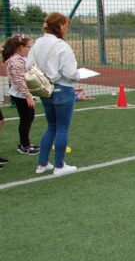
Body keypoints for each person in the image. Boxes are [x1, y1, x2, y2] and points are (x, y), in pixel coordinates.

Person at [28, 12, 80, 176]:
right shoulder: (61, 46)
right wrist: (77, 75)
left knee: (51, 126)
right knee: (62, 128)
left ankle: (42, 164)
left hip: (45, 90)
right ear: (59, 26)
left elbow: (29, 66)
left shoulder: (37, 44)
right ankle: (59, 165)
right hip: (62, 88)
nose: (67, 28)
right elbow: (70, 72)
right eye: (65, 25)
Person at [2, 34, 39, 157]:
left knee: (28, 118)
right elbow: (18, 80)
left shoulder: (19, 58)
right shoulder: (16, 61)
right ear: (20, 48)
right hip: (21, 95)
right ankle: (25, 145)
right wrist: (28, 95)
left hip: (23, 94)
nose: (30, 49)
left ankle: (25, 143)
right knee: (26, 119)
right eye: (28, 47)